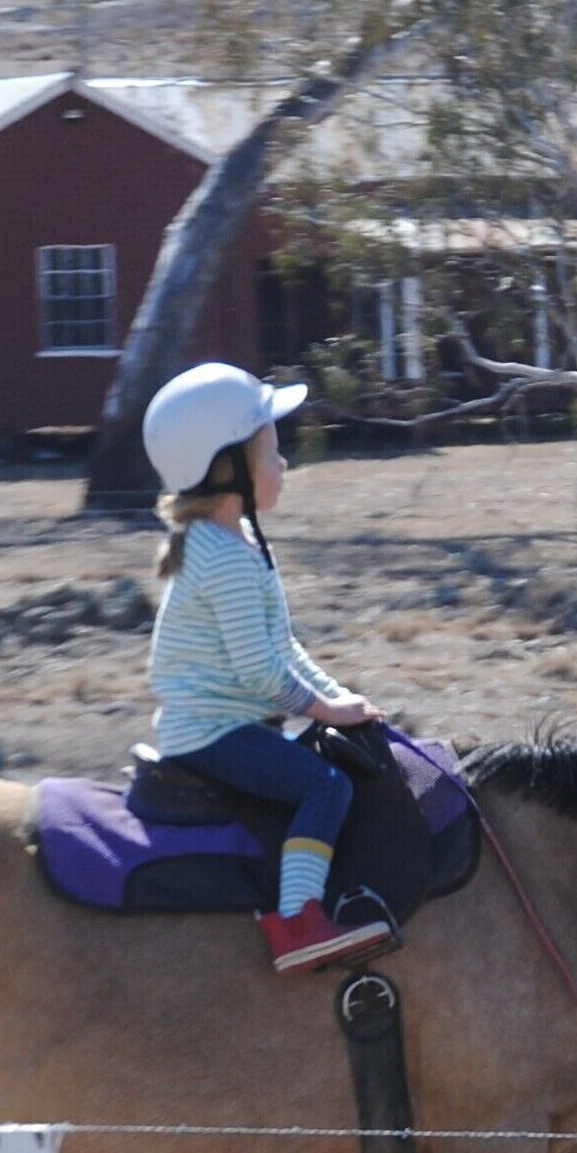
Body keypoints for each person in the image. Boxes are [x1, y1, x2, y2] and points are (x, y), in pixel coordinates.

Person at [141, 360, 396, 973]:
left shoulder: (236, 544)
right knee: (323, 785)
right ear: (228, 468)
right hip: (211, 731)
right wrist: (327, 710)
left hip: (230, 720)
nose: (283, 465)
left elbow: (284, 646)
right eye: (271, 452)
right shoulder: (225, 558)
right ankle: (298, 921)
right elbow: (261, 672)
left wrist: (344, 702)